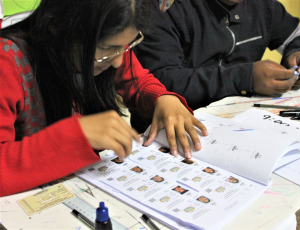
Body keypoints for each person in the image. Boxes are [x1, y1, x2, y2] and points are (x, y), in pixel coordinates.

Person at [0, 0, 208, 197]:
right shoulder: (8, 62)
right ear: (59, 25)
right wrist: (77, 136)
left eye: (126, 46)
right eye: (108, 49)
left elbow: (136, 81)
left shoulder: (109, 45)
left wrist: (162, 99)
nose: (118, 61)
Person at [131, 0, 300, 133]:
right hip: (173, 129)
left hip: (239, 124)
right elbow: (157, 82)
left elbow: (298, 35)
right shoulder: (164, 8)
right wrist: (244, 78)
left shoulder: (262, 5)